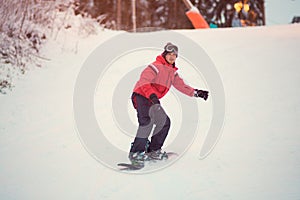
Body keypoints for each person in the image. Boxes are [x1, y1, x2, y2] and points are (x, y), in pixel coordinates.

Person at [129, 42, 209, 164]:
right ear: (165, 54)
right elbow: (143, 81)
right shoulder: (155, 66)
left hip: (152, 98)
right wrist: (153, 96)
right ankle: (136, 153)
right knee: (146, 122)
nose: (172, 57)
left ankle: (154, 151)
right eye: (170, 54)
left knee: (164, 122)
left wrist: (197, 93)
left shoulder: (172, 72)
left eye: (175, 55)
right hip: (142, 95)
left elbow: (182, 86)